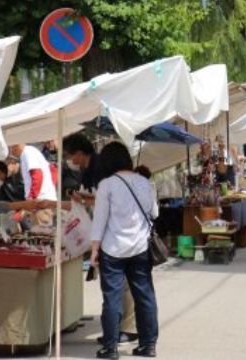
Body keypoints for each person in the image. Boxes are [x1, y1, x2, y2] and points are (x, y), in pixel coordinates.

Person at [91, 141, 159, 359]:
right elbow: (154, 213)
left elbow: (99, 220)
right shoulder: (145, 182)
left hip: (112, 249)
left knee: (112, 298)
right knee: (145, 295)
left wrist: (94, 249)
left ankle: (110, 348)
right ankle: (148, 345)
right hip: (140, 247)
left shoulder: (107, 185)